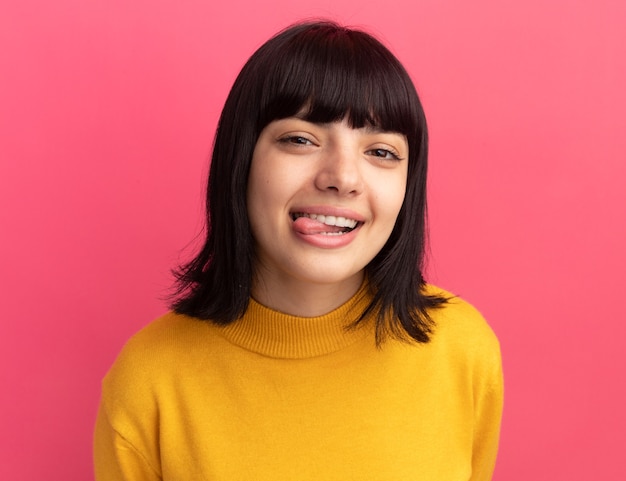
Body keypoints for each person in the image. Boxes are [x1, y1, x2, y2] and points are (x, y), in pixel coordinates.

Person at [94, 21, 503, 480]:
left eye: (382, 152)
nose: (342, 177)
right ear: (241, 158)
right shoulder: (149, 382)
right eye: (300, 140)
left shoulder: (462, 351)